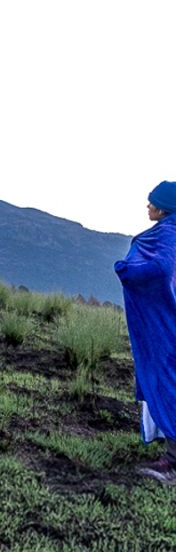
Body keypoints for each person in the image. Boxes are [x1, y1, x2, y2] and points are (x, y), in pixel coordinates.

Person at [115, 180, 176, 483]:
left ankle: (174, 464)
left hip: (165, 323)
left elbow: (162, 268)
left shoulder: (166, 235)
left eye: (152, 201)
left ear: (165, 206)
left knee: (167, 381)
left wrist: (127, 271)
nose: (147, 205)